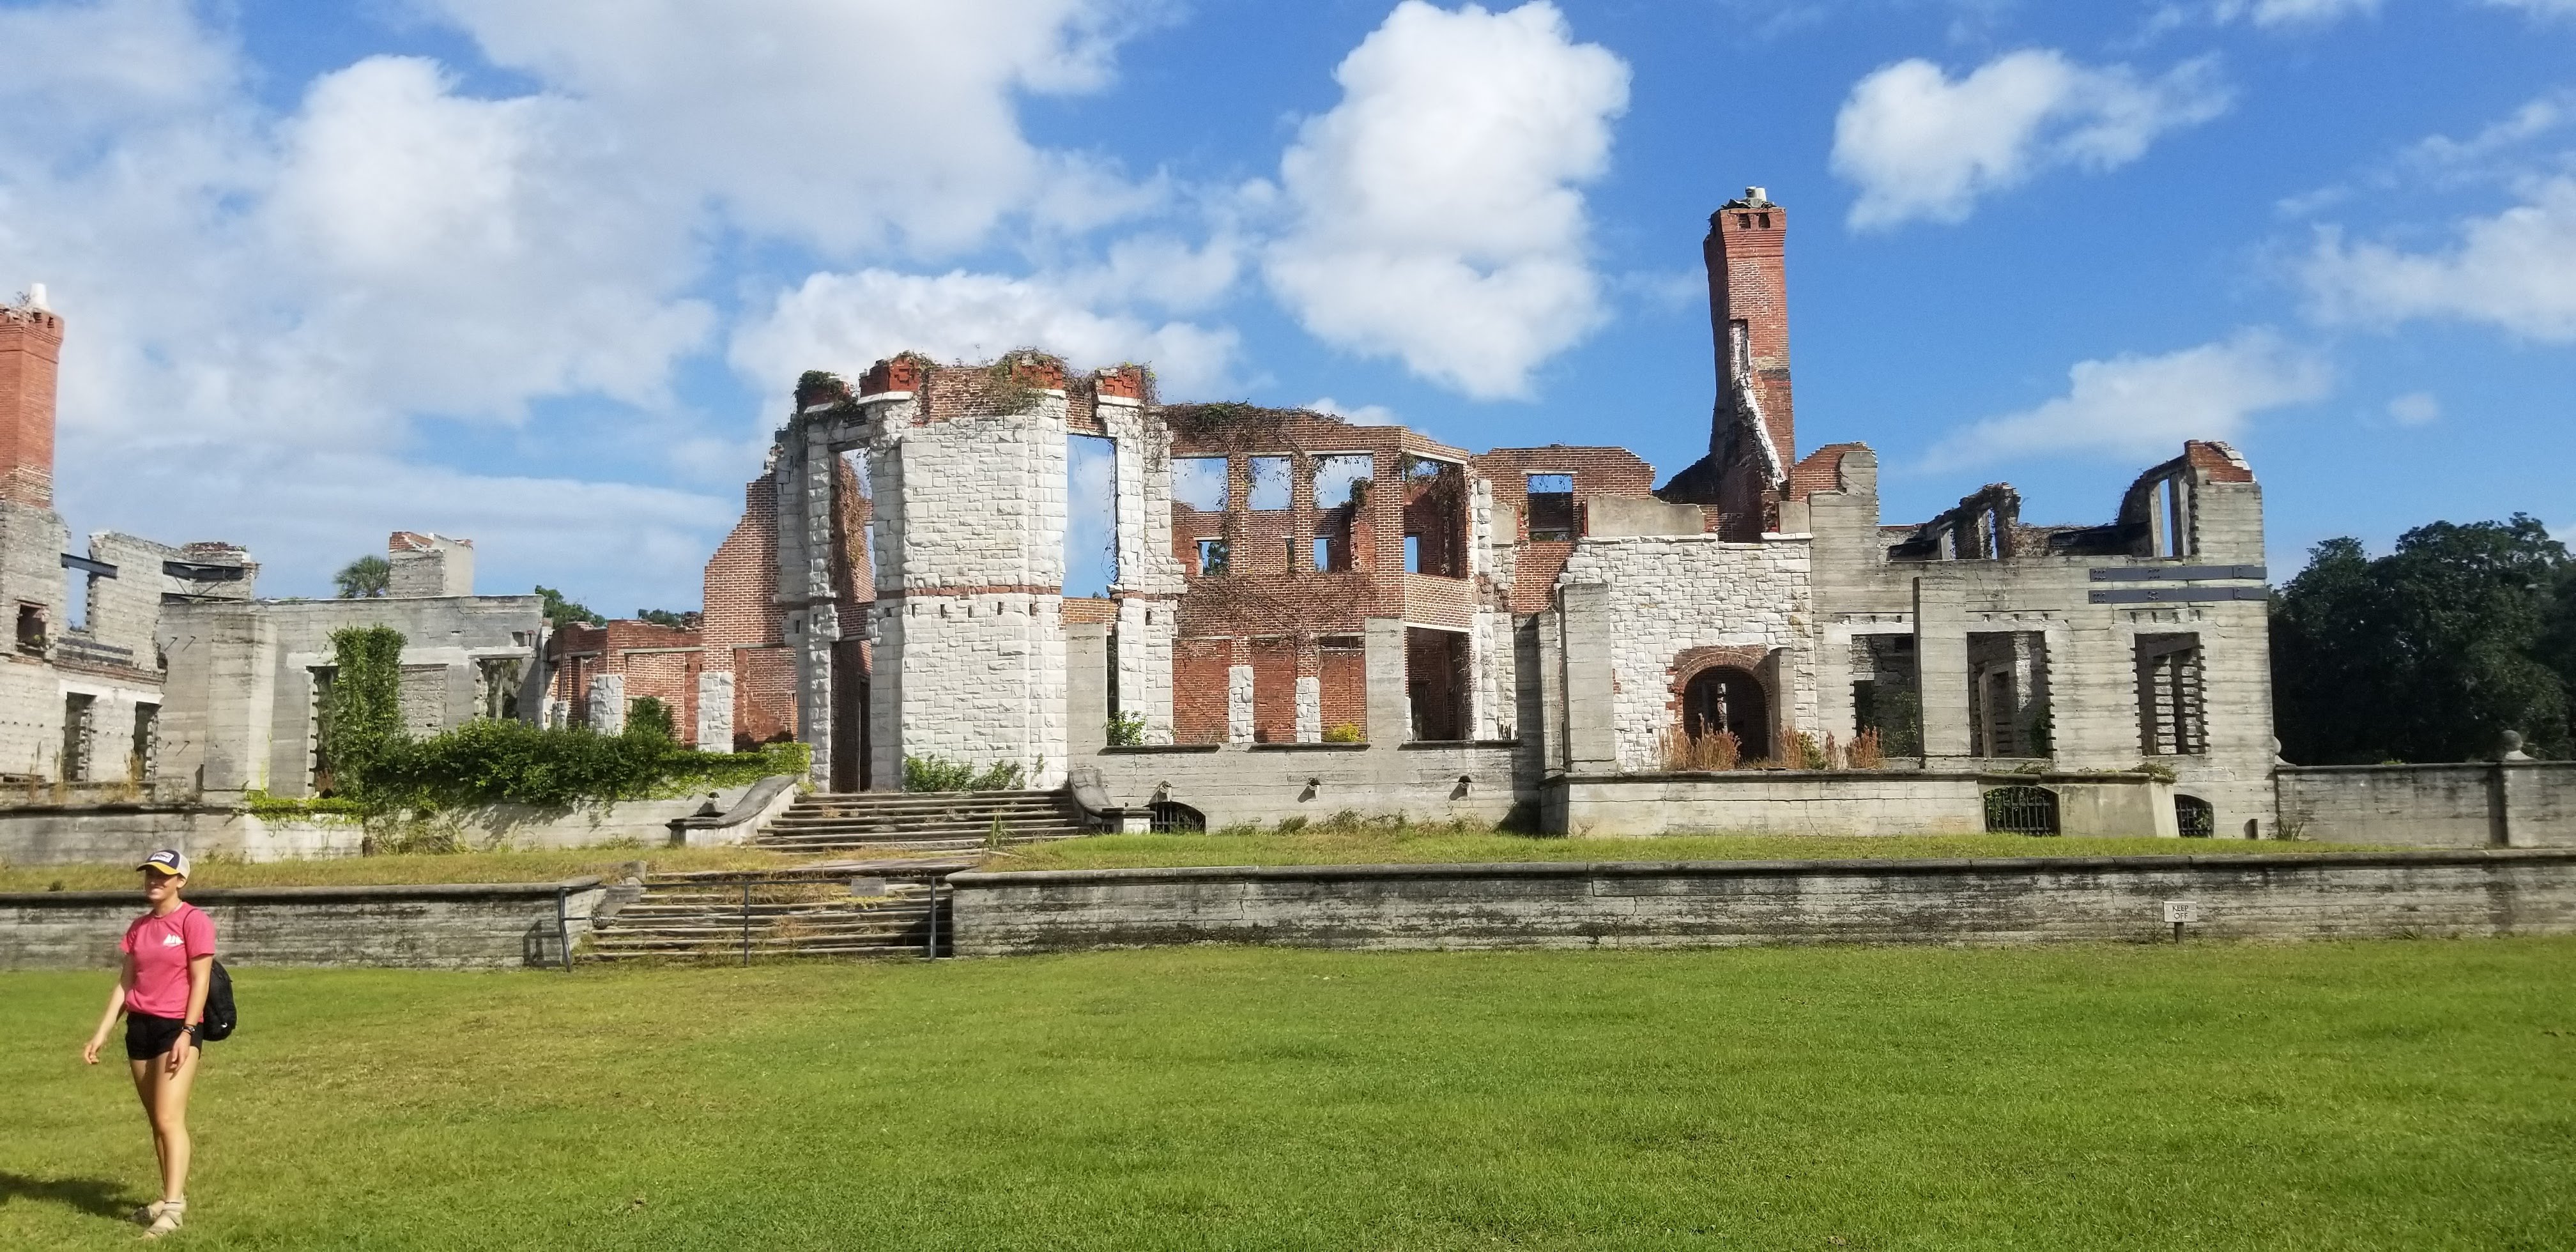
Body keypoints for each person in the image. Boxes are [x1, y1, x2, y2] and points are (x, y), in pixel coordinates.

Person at [80, 849, 214, 1239]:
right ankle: (171, 1195)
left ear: (180, 881)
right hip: (139, 1028)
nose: (154, 881)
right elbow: (126, 985)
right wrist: (102, 1033)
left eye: (163, 875)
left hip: (177, 1028)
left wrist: (188, 1032)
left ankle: (172, 1210)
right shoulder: (139, 927)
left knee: (171, 1118)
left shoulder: (194, 921)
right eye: (150, 875)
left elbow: (201, 981)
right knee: (158, 1119)